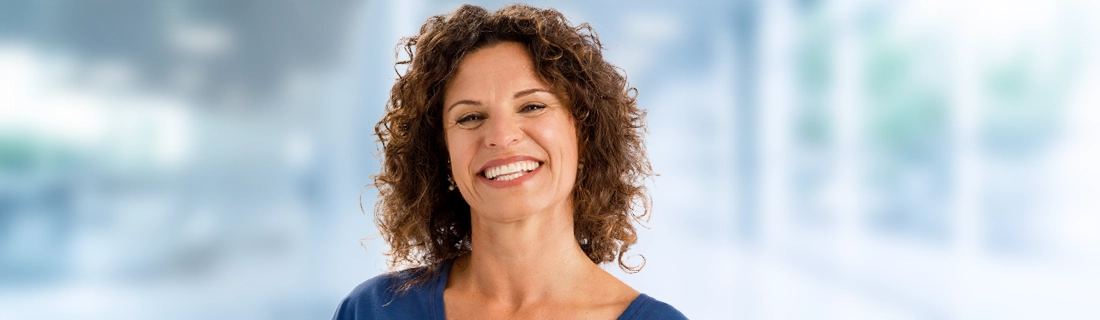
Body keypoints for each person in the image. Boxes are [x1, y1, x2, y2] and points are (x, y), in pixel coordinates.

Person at [333, 3, 686, 319]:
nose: (501, 137)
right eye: (470, 117)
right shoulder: (373, 310)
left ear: (584, 134)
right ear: (442, 154)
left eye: (532, 106)